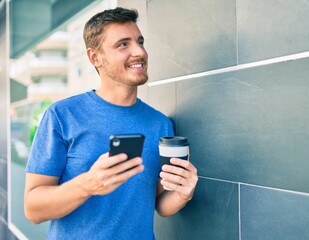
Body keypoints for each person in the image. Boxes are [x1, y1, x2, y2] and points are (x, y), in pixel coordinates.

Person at [24, 7, 198, 240]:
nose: (139, 52)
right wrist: (88, 185)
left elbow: (158, 203)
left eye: (140, 41)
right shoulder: (62, 115)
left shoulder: (160, 124)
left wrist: (183, 193)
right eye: (123, 44)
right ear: (95, 57)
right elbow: (33, 209)